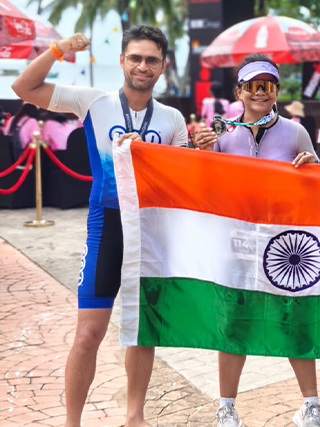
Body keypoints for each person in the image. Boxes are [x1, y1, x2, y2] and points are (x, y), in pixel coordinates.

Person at [12, 24, 188, 427]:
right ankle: (71, 422)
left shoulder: (172, 119)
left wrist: (201, 149)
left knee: (141, 332)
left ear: (163, 66)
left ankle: (134, 417)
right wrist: (59, 49)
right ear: (122, 60)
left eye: (151, 60)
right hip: (106, 228)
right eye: (135, 58)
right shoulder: (93, 102)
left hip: (150, 233)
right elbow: (24, 87)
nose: (143, 66)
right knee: (89, 333)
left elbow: (182, 179)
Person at [192, 54, 320, 427]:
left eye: (267, 85)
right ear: (239, 92)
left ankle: (311, 404)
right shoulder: (221, 133)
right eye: (252, 85)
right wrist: (203, 152)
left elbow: (319, 185)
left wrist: (312, 168)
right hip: (235, 242)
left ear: (277, 90)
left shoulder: (295, 132)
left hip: (284, 245)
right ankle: (226, 408)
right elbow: (205, 184)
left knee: (293, 320)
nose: (259, 92)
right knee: (233, 323)